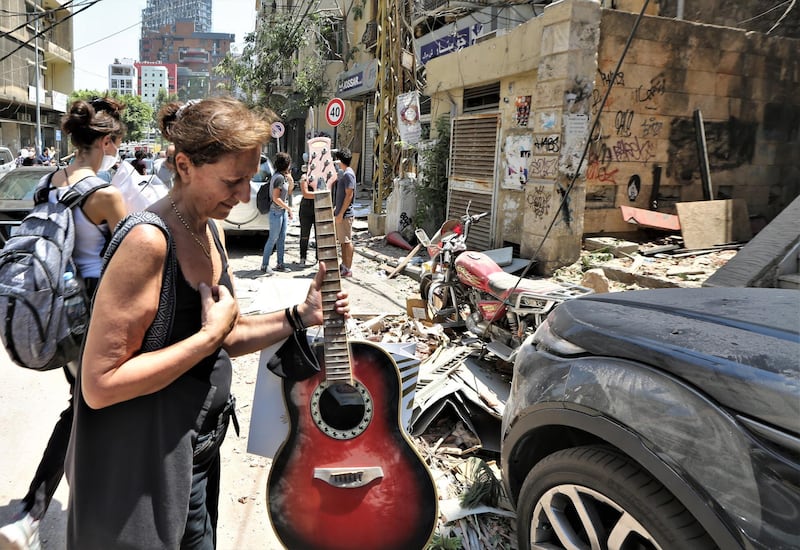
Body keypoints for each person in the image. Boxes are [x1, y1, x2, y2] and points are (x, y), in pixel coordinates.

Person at [64, 96, 349, 549]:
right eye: (233, 180)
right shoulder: (147, 241)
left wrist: (301, 314)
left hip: (195, 457)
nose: (242, 195)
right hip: (142, 469)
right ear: (184, 165)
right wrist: (208, 336)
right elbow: (99, 384)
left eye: (250, 178)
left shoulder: (210, 230)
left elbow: (229, 335)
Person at [0, 97, 128, 550]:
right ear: (108, 141)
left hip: (52, 307)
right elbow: (133, 254)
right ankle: (33, 514)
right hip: (91, 311)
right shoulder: (106, 195)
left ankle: (47, 510)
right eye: (118, 140)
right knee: (88, 407)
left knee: (86, 406)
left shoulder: (48, 182)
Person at [260, 151, 294, 275]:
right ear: (286, 165)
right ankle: (264, 265)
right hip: (276, 212)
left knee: (281, 239)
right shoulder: (279, 178)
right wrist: (289, 208)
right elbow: (276, 198)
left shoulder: (281, 176)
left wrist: (290, 179)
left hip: (281, 212)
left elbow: (289, 191)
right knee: (273, 238)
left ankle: (280, 264)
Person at [333, 147, 356, 277]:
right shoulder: (345, 173)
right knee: (343, 241)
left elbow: (349, 195)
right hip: (342, 212)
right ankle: (344, 265)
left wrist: (341, 213)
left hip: (346, 214)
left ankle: (348, 268)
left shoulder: (348, 174)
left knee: (346, 242)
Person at [297, 173, 316, 266]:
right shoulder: (305, 177)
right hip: (306, 209)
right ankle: (303, 257)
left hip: (319, 207)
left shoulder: (322, 175)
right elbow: (306, 194)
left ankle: (319, 258)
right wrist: (321, 195)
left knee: (320, 236)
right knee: (304, 235)